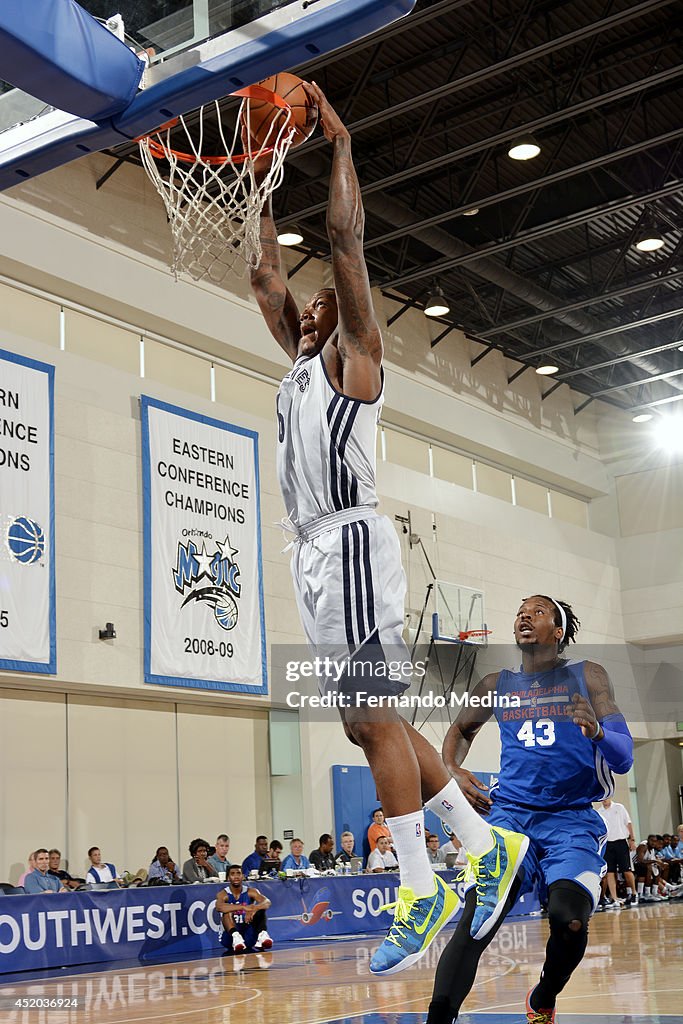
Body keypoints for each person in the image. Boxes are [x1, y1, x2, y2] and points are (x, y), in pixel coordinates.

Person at [249, 79, 527, 976]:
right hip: (313, 552)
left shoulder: (355, 362)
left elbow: (343, 240)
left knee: (371, 718)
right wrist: (255, 171)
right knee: (363, 724)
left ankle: (423, 886)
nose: (314, 304)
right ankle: (483, 846)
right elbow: (262, 273)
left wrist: (338, 146)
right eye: (315, 307)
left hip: (356, 540)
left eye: (327, 303)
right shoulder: (297, 360)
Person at [428, 595, 635, 1024]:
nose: (524, 614)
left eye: (537, 611)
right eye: (520, 610)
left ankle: (543, 996)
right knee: (479, 916)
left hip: (572, 818)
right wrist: (452, 769)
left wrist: (597, 731)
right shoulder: (494, 684)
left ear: (558, 632)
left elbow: (625, 757)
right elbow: (461, 729)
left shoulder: (588, 675)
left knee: (570, 920)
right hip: (510, 815)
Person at [216, 864, 273, 953]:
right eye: (232, 874)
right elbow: (219, 907)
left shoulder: (251, 891)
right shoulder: (223, 894)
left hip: (248, 934)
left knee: (260, 909)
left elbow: (267, 902)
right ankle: (236, 937)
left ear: (243, 876)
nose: (236, 876)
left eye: (238, 873)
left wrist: (254, 908)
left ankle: (262, 935)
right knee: (227, 911)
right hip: (229, 937)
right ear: (228, 878)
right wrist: (243, 907)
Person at [597, 799, 637, 907]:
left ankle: (634, 893)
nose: (605, 800)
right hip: (608, 844)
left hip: (621, 842)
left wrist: (632, 839)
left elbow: (628, 823)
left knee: (626, 870)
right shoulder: (599, 812)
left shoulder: (619, 807)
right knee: (610, 872)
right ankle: (614, 898)